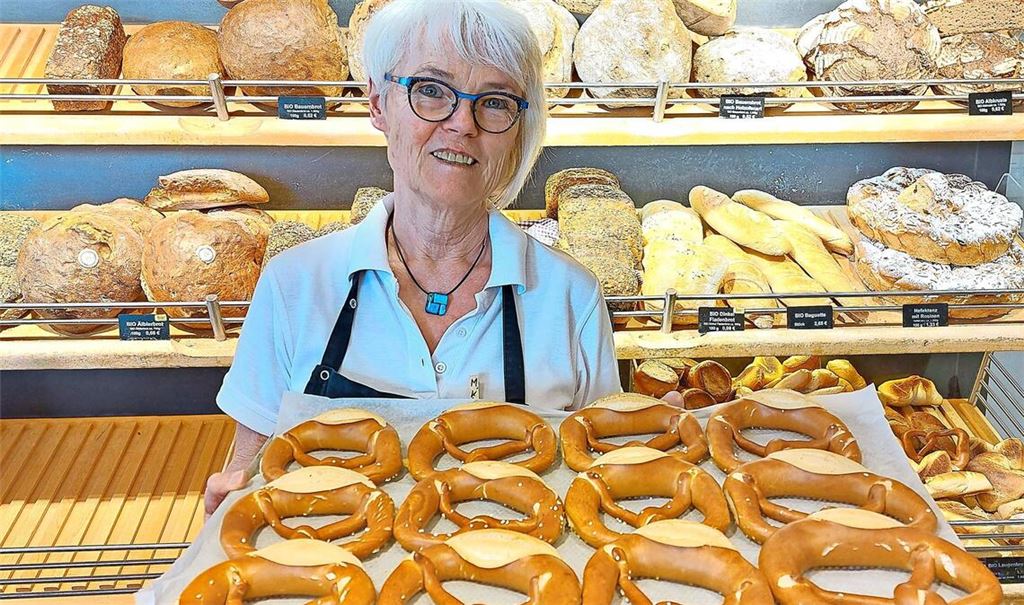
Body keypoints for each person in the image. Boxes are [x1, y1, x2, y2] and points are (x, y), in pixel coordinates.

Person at [204, 0, 624, 516]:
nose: (461, 123)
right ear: (377, 104)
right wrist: (229, 504)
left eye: (493, 101)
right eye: (431, 90)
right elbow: (249, 466)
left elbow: (601, 474)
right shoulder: (294, 285)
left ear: (518, 130)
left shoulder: (571, 297)